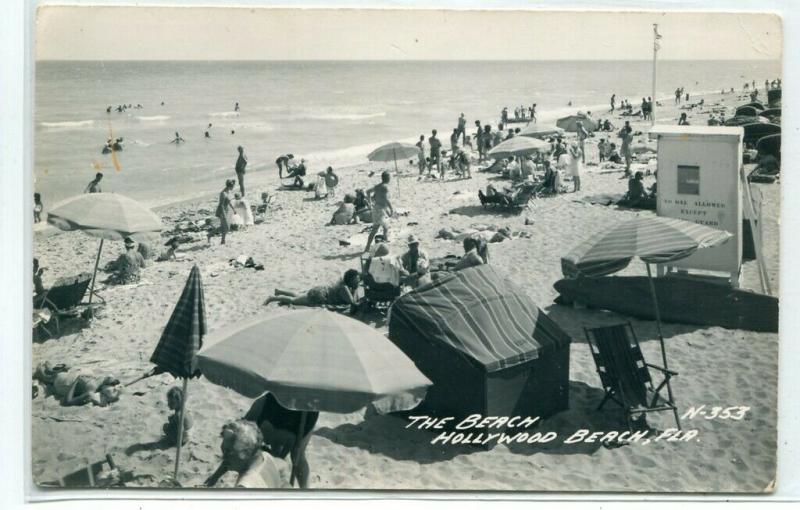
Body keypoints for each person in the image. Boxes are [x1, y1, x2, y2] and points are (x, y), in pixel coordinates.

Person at [205, 420, 291, 488]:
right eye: (223, 451)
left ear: (246, 452)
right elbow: (283, 464)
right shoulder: (265, 457)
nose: (223, 458)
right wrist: (215, 476)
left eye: (229, 452)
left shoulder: (245, 487)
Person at [263, 269, 361, 312]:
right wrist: (356, 288)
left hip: (321, 291)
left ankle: (279, 291)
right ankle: (272, 298)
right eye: (356, 279)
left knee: (297, 295)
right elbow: (353, 302)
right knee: (294, 300)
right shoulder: (344, 288)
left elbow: (354, 299)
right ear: (351, 280)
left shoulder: (345, 284)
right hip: (319, 295)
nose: (358, 281)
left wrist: (355, 288)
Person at [51, 371, 121, 407]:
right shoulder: (100, 387)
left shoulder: (91, 393)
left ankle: (49, 376)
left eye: (113, 388)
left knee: (53, 377)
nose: (113, 387)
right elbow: (110, 379)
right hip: (69, 377)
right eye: (112, 385)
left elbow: (69, 401)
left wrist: (76, 382)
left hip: (63, 384)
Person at [364, 171, 394, 252]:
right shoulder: (385, 187)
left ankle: (367, 247)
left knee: (375, 229)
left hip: (376, 209)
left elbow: (367, 192)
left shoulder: (377, 186)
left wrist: (370, 203)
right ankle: (385, 245)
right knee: (385, 228)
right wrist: (391, 208)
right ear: (387, 178)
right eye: (389, 177)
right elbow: (385, 199)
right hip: (381, 210)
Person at [216, 179, 236, 245]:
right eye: (233, 186)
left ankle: (210, 235)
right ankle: (222, 241)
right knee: (226, 227)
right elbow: (221, 205)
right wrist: (224, 215)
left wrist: (233, 209)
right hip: (222, 211)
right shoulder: (223, 193)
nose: (233, 188)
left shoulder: (228, 191)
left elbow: (228, 201)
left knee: (224, 227)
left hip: (227, 210)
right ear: (230, 186)